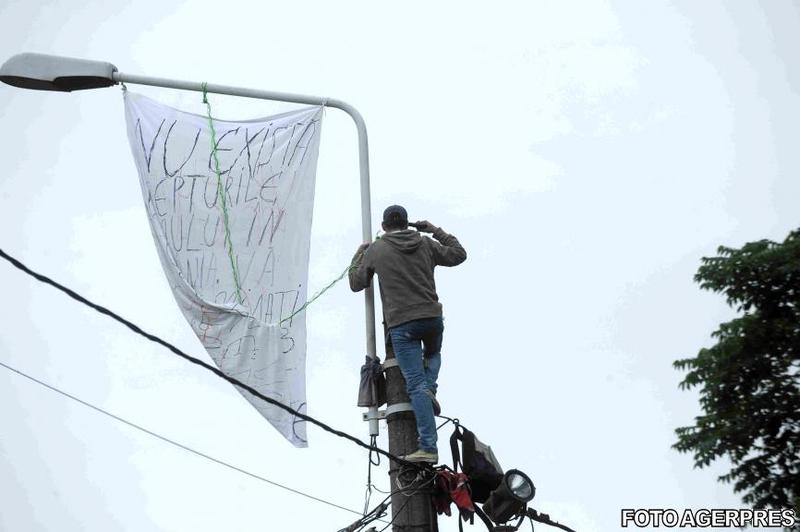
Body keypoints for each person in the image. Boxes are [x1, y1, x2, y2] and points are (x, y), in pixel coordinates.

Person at [349, 205, 467, 463]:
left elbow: (356, 283)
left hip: (403, 325)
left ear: (383, 226)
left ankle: (428, 447)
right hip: (432, 318)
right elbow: (459, 254)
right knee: (433, 353)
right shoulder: (425, 243)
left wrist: (359, 255)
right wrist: (435, 230)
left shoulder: (376, 250)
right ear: (408, 223)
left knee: (415, 386)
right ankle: (431, 390)